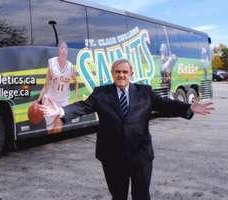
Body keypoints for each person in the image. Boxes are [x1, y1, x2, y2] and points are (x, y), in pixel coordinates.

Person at [40, 59, 214, 200]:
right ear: (112, 74)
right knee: (118, 196)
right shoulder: (101, 93)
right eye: (117, 72)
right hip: (112, 157)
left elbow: (165, 105)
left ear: (131, 74)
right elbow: (83, 107)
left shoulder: (144, 92)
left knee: (142, 196)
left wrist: (188, 108)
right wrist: (62, 111)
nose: (121, 75)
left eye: (125, 72)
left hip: (141, 156)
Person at [37, 41, 78, 134]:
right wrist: (38, 100)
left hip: (63, 101)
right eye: (62, 48)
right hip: (51, 100)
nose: (64, 50)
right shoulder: (52, 64)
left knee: (59, 126)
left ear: (67, 51)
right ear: (58, 50)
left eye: (65, 48)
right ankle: (51, 147)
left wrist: (76, 98)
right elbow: (46, 85)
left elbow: (76, 82)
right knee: (50, 130)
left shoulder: (70, 66)